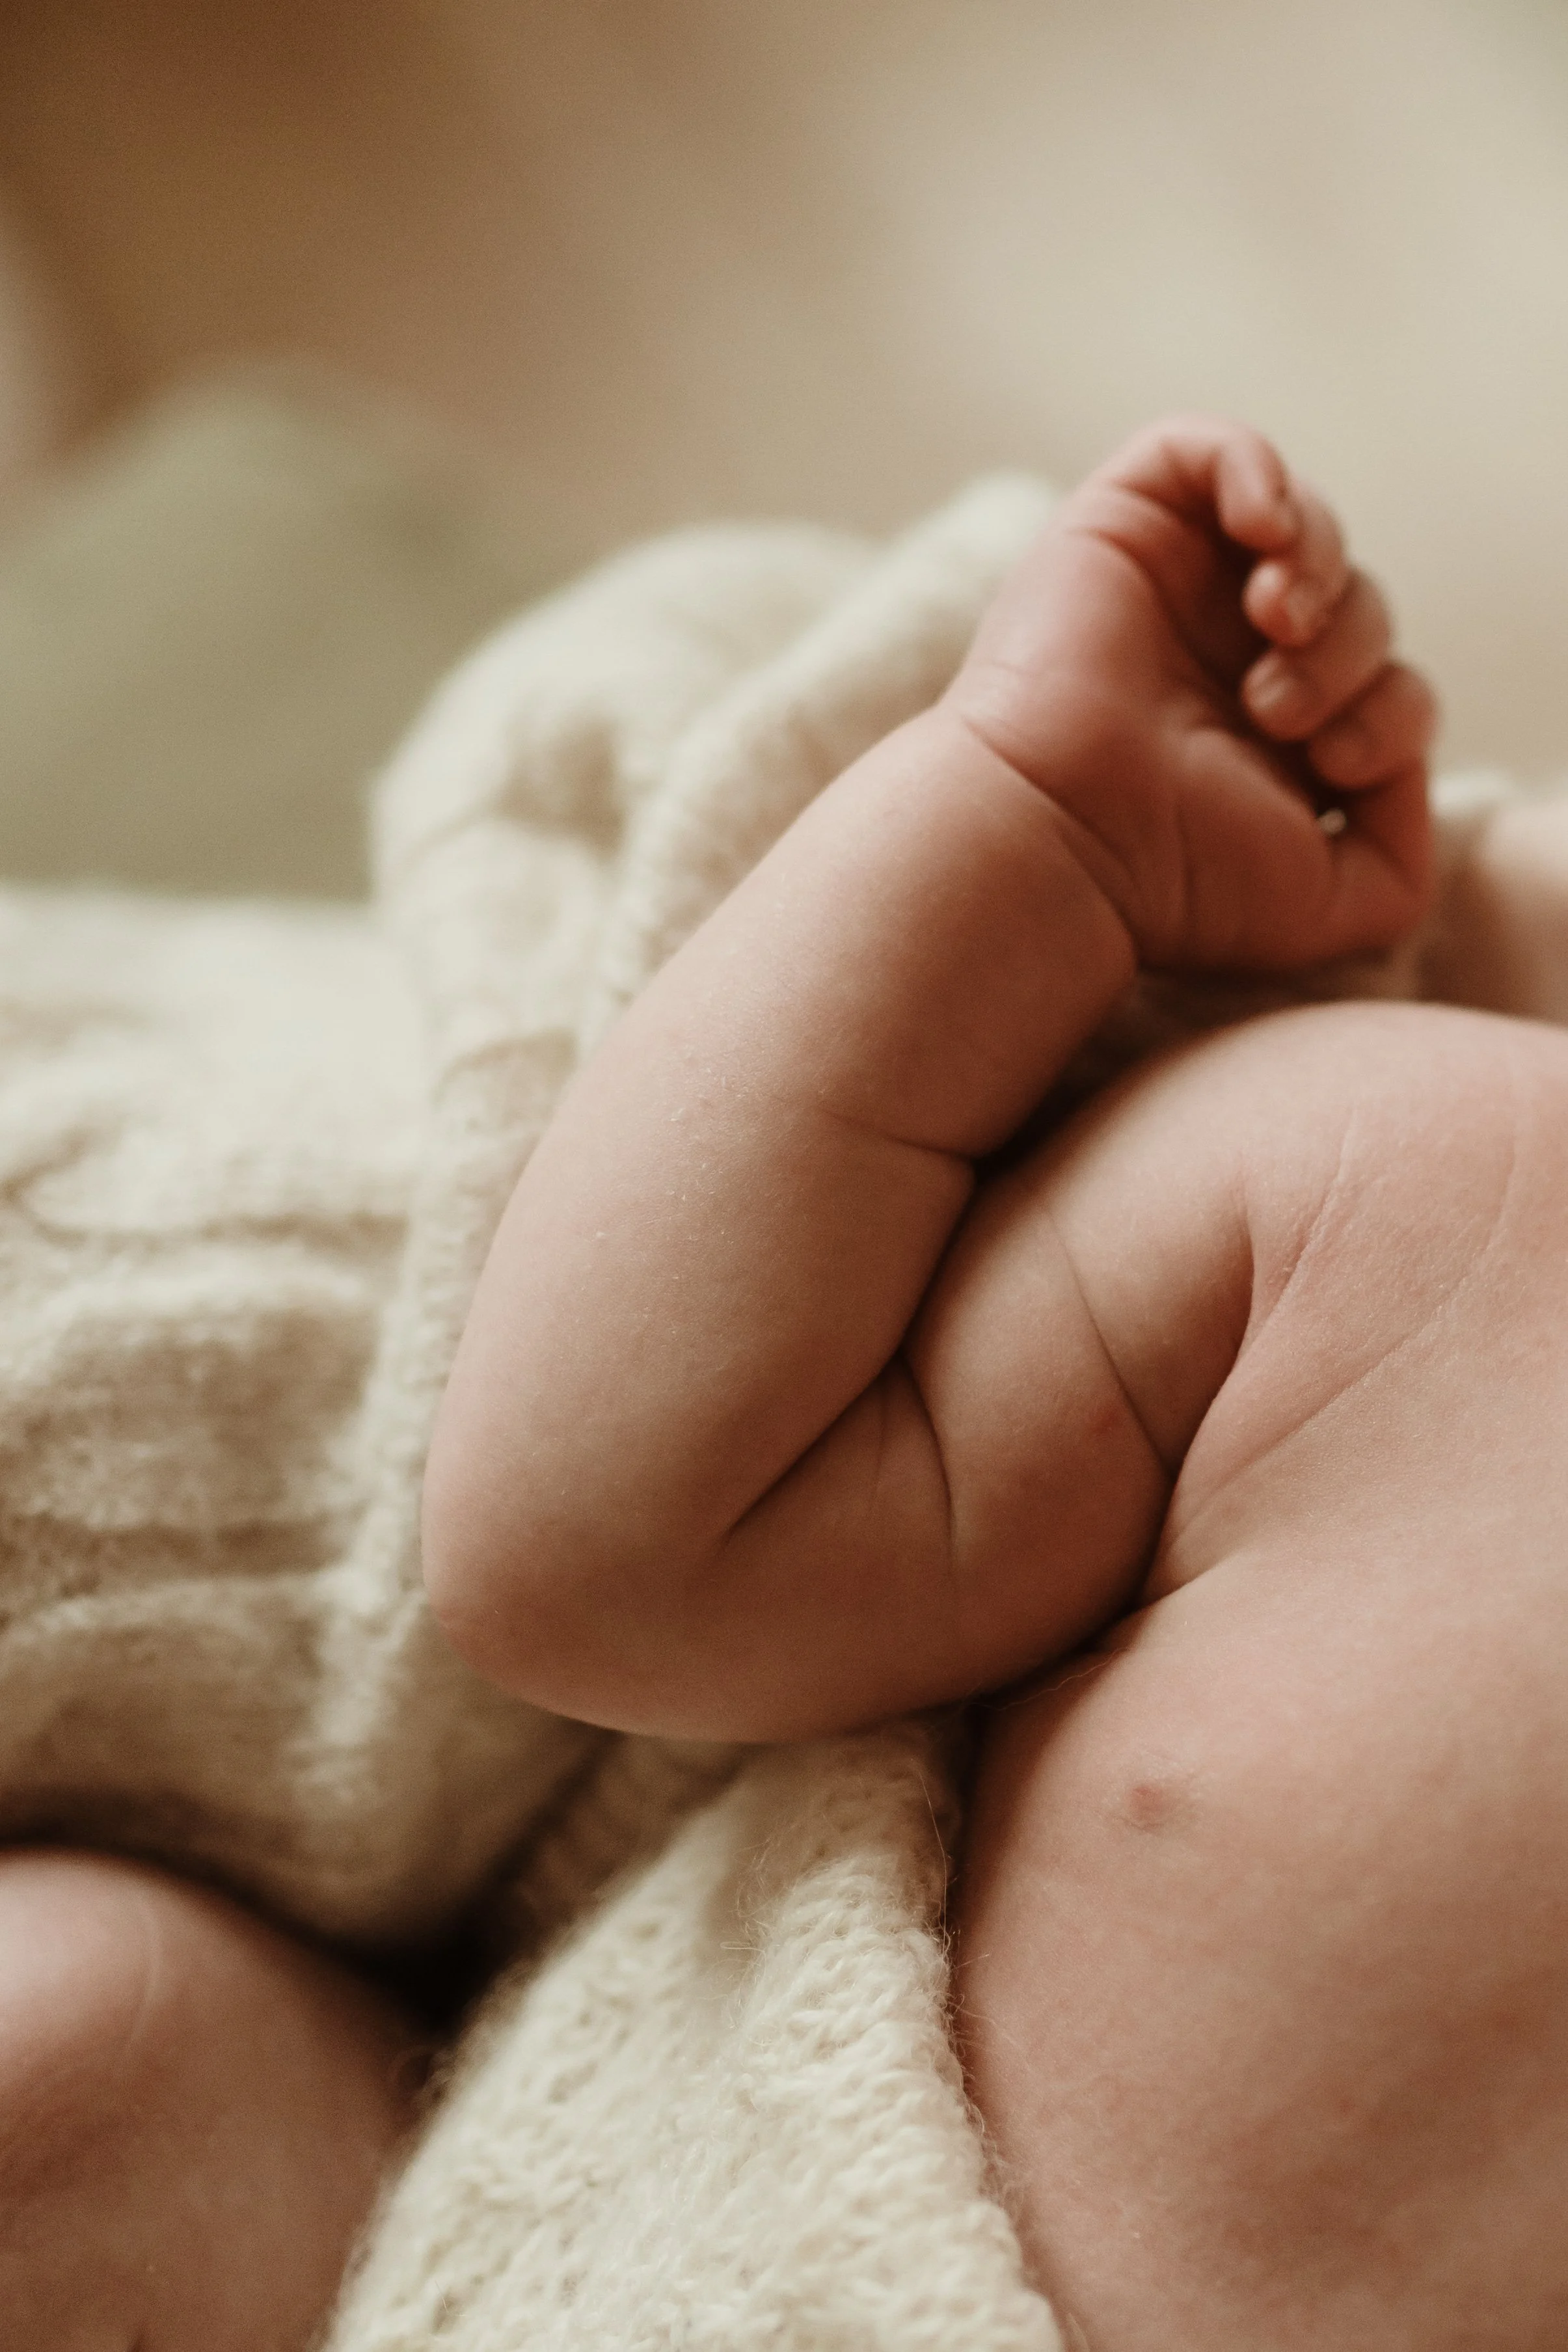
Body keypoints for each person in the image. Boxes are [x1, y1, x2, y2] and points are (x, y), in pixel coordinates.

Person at [424, 414, 1568, 2347]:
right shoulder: (1427, 1202)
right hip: (730, 2246)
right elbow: (596, 1552)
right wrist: (1041, 834)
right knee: (83, 2045)